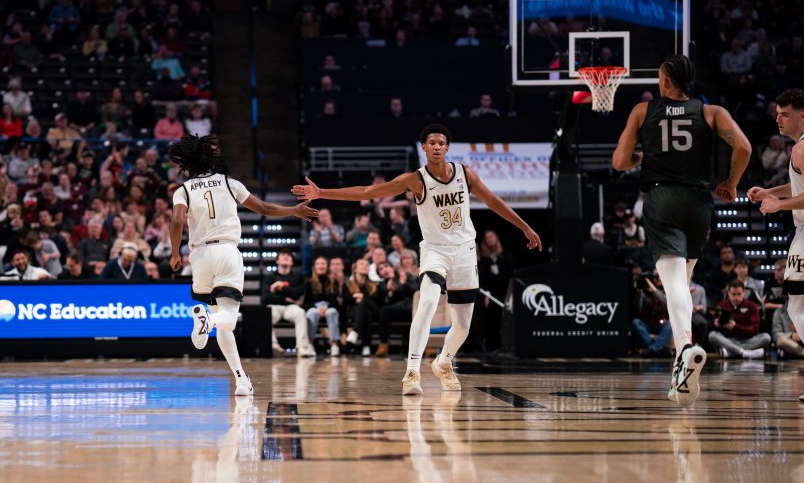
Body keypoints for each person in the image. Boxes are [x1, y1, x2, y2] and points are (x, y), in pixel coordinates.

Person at [294, 123, 541, 396]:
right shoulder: (415, 179)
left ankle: (443, 362)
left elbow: (494, 202)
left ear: (447, 148)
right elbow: (366, 192)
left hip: (464, 251)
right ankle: (411, 372)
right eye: (431, 143)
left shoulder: (465, 174)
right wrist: (322, 193)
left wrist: (525, 227)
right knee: (427, 302)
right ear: (423, 147)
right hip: (434, 251)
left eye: (441, 143)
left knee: (462, 327)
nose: (436, 147)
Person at [612, 54, 752, 406]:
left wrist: (644, 157)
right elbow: (745, 147)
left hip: (662, 199)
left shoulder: (643, 111)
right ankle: (680, 366)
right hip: (699, 201)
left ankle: (686, 349)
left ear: (665, 82)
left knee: (673, 284)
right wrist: (732, 184)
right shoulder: (711, 112)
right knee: (683, 285)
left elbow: (619, 161)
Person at [167, 134, 317, 395]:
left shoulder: (183, 190)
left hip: (199, 255)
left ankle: (241, 379)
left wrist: (174, 253)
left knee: (220, 319)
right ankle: (208, 323)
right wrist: (293, 210)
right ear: (213, 160)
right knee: (227, 319)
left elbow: (177, 221)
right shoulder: (229, 183)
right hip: (226, 250)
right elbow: (263, 208)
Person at [748, 88, 804, 401]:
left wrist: (778, 206)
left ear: (802, 115)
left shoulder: (802, 148)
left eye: (785, 114)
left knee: (797, 307)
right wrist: (769, 192)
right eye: (776, 113)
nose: (778, 119)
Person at [707, 280, 771, 358]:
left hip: (747, 340)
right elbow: (713, 327)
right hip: (728, 339)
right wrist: (715, 324)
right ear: (728, 293)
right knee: (712, 335)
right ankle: (744, 352)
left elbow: (755, 329)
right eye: (733, 294)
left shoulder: (752, 306)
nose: (736, 297)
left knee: (766, 337)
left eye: (739, 294)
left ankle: (731, 352)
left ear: (744, 293)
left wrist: (736, 327)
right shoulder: (721, 305)